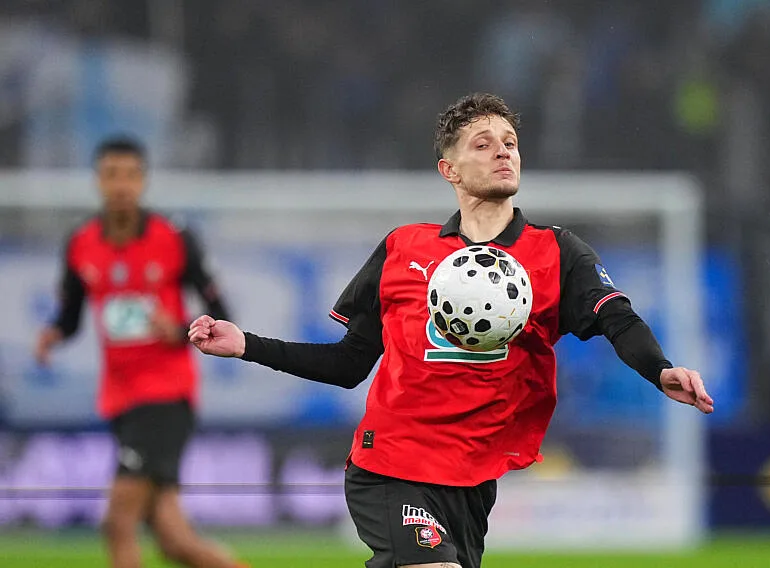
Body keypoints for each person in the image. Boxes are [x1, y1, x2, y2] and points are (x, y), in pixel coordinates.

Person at [188, 93, 714, 568]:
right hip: (391, 462)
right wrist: (247, 345)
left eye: (510, 142)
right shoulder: (403, 248)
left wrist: (659, 369)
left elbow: (617, 318)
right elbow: (349, 364)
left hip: (472, 477)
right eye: (483, 144)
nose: (503, 152)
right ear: (450, 170)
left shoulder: (556, 252)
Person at [34, 137, 248, 568]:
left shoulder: (175, 238)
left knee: (118, 523)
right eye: (111, 174)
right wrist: (54, 333)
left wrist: (179, 330)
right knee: (174, 540)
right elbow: (72, 315)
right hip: (120, 398)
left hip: (165, 396)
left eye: (130, 175)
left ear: (143, 180)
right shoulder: (81, 243)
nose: (121, 185)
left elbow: (222, 314)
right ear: (98, 180)